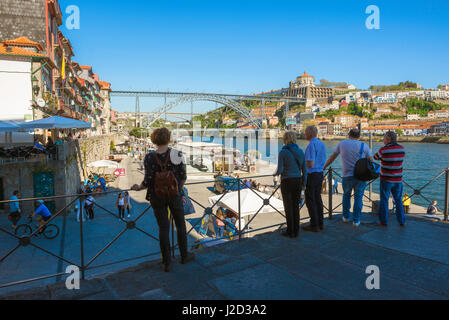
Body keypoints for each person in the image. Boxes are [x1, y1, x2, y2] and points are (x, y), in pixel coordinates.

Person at [131, 127, 194, 272]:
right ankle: (184, 255)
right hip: (174, 195)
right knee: (180, 225)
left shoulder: (149, 157)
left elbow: (147, 181)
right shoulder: (176, 154)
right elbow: (183, 176)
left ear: (154, 140)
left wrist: (138, 187)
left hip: (156, 196)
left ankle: (166, 262)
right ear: (168, 138)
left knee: (164, 228)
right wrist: (177, 188)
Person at [324, 128, 373, 227]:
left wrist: (324, 167)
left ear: (349, 134)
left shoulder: (342, 144)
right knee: (358, 198)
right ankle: (356, 220)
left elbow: (333, 157)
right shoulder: (364, 146)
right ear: (359, 136)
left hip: (347, 175)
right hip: (360, 177)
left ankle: (346, 217)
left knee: (346, 196)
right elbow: (371, 161)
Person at [274, 131, 307, 238]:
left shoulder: (283, 152)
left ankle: (290, 231)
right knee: (295, 206)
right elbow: (305, 170)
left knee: (288, 207)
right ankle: (296, 231)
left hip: (287, 182)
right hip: (298, 181)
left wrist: (275, 173)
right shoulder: (301, 152)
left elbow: (279, 170)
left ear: (285, 139)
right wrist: (304, 184)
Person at [374, 131, 406, 227]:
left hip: (386, 179)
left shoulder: (383, 150)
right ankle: (401, 220)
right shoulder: (402, 149)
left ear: (388, 139)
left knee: (384, 200)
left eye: (384, 138)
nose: (383, 140)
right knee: (398, 200)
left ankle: (383, 221)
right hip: (398, 180)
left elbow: (375, 157)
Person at [303, 126, 327, 232]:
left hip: (312, 175)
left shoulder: (311, 145)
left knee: (310, 199)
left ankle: (314, 224)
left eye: (306, 133)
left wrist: (302, 164)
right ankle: (320, 222)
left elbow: (310, 163)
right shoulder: (321, 144)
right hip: (320, 173)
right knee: (318, 198)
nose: (305, 134)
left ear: (310, 133)